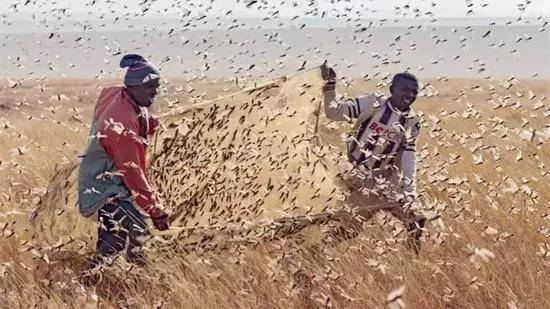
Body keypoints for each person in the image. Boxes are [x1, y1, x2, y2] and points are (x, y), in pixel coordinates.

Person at [320, 63, 426, 253]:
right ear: (392, 89)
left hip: (386, 180)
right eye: (405, 90)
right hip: (357, 176)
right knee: (349, 229)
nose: (410, 95)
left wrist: (409, 190)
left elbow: (409, 157)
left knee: (417, 219)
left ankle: (411, 265)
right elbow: (333, 112)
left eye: (414, 91)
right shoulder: (372, 104)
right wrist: (330, 85)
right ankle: (316, 253)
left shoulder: (412, 122)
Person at [78, 54, 169, 264]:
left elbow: (132, 110)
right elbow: (132, 171)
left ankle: (116, 278)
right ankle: (127, 279)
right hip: (103, 188)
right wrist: (154, 210)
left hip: (110, 183)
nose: (155, 93)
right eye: (150, 88)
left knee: (119, 238)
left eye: (157, 86)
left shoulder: (117, 95)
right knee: (135, 229)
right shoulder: (122, 127)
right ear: (134, 87)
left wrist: (147, 122)